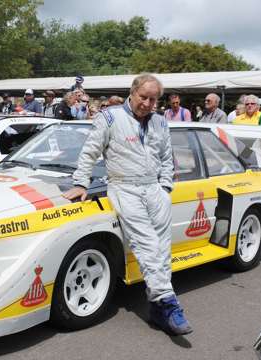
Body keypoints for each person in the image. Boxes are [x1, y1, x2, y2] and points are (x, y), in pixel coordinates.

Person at [63, 74, 192, 335]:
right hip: (124, 187)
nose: (147, 103)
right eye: (143, 97)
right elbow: (90, 152)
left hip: (155, 190)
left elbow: (167, 157)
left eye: (153, 99)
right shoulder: (109, 117)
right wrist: (81, 183)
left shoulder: (160, 122)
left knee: (163, 249)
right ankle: (168, 303)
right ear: (132, 93)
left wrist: (165, 188)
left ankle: (157, 310)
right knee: (148, 247)